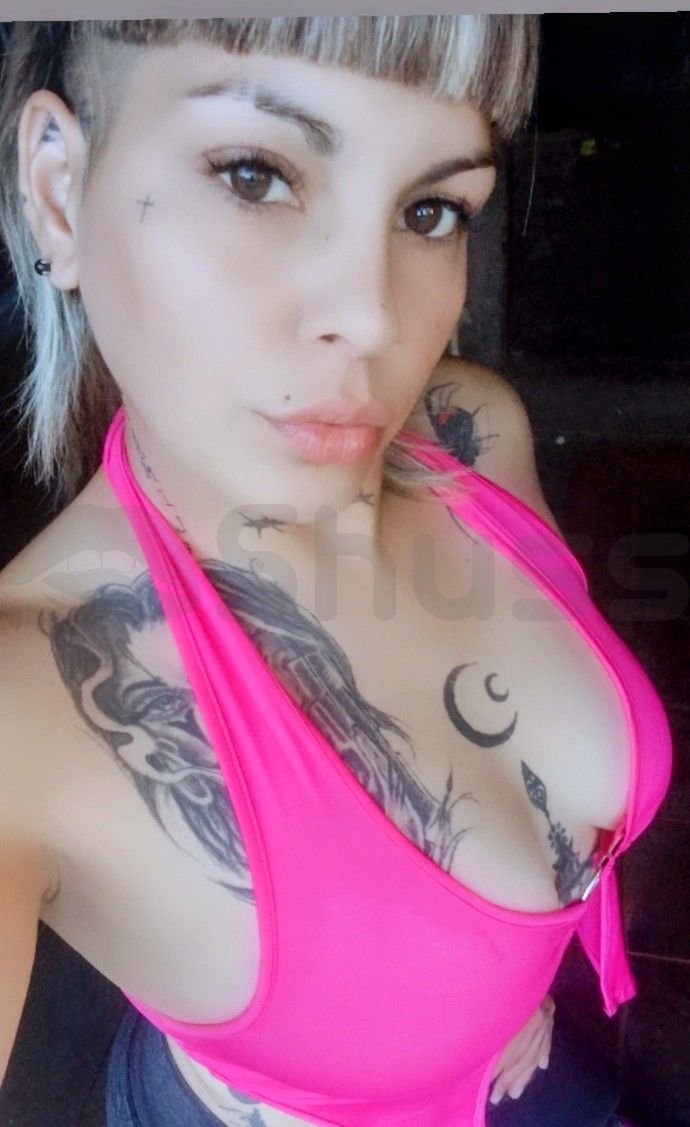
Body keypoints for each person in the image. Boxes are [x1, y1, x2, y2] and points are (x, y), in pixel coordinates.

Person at [0, 17, 672, 1127]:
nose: (370, 316)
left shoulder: (471, 432)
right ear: (59, 192)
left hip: (539, 1058)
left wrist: (501, 985)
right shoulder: (24, 710)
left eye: (431, 209)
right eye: (255, 175)